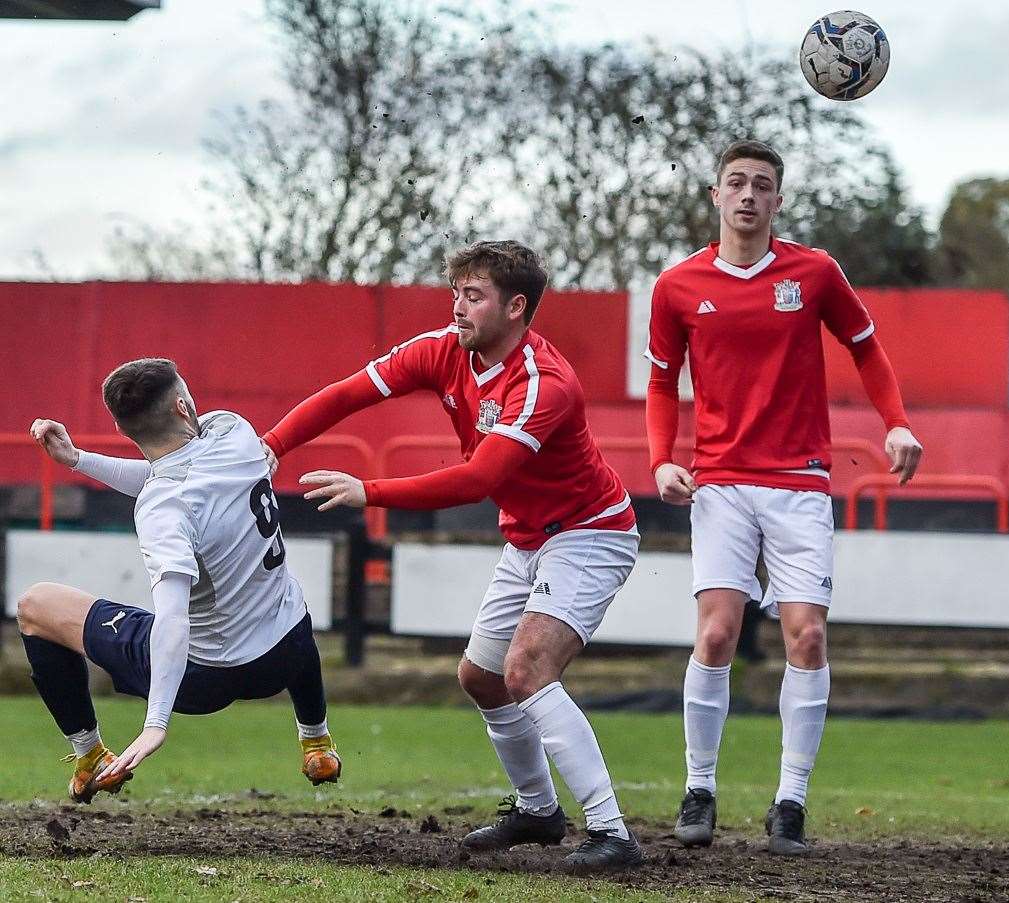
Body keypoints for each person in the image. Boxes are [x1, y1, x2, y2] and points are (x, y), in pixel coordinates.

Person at [260, 240, 643, 872]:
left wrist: (369, 491)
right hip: (528, 538)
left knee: (526, 672)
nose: (458, 307)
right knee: (480, 678)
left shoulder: (543, 382)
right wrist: (272, 446)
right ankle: (539, 811)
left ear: (516, 307)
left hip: (589, 534)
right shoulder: (444, 349)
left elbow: (476, 479)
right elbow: (348, 393)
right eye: (456, 292)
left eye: (474, 295)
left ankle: (612, 832)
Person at [644, 139, 923, 855]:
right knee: (715, 634)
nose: (746, 194)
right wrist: (660, 460)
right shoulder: (677, 285)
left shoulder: (815, 271)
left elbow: (866, 346)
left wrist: (894, 423)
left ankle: (789, 802)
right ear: (714, 195)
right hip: (722, 482)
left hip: (799, 482)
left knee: (807, 635)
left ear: (777, 199)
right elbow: (658, 382)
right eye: (734, 182)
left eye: (760, 185)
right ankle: (699, 788)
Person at [21, 358, 340, 804]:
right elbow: (170, 471)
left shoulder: (162, 509)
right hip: (284, 656)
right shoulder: (233, 430)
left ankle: (88, 753)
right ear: (184, 407)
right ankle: (316, 740)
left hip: (202, 680)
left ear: (124, 430)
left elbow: (172, 616)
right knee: (286, 593)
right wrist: (75, 459)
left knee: (36, 606)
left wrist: (156, 723)